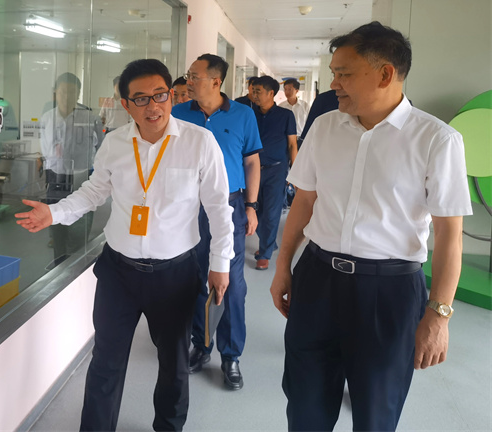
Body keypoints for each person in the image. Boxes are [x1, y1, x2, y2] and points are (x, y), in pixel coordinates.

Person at [270, 22, 472, 431]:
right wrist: (283, 266)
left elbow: (450, 236)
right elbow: (304, 203)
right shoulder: (325, 127)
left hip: (389, 293)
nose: (334, 83)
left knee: (376, 414)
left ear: (384, 74)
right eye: (334, 73)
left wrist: (439, 316)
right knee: (305, 406)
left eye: (344, 73)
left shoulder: (437, 140)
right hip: (318, 280)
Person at [17, 59, 234, 432]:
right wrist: (54, 213)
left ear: (172, 95)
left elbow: (218, 208)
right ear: (125, 104)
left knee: (174, 364)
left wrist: (220, 264)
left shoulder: (200, 143)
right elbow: (93, 192)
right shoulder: (115, 143)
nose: (153, 106)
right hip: (119, 272)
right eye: (141, 99)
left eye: (160, 95)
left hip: (175, 275)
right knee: (106, 361)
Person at [173, 54, 261, 391]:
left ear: (215, 81)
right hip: (188, 205)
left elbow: (251, 162)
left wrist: (251, 206)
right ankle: (202, 344)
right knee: (196, 278)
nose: (188, 82)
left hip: (230, 204)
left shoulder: (242, 115)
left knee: (231, 282)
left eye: (194, 76)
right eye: (188, 75)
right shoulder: (179, 113)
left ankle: (231, 354)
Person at [40, 72, 104, 263]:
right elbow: (44, 149)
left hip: (80, 177)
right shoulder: (47, 118)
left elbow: (101, 147)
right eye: (63, 92)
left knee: (80, 226)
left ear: (78, 94)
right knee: (56, 225)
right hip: (55, 177)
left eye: (72, 92)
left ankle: (76, 264)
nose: (67, 97)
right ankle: (59, 262)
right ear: (55, 93)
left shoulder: (89, 118)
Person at [252, 76, 297, 269]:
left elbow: (292, 144)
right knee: (254, 209)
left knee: (271, 212)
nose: (254, 95)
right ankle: (269, 242)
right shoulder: (249, 114)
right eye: (253, 91)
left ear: (271, 93)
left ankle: (265, 253)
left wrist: (295, 174)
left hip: (276, 170)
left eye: (258, 91)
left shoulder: (285, 116)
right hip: (252, 170)